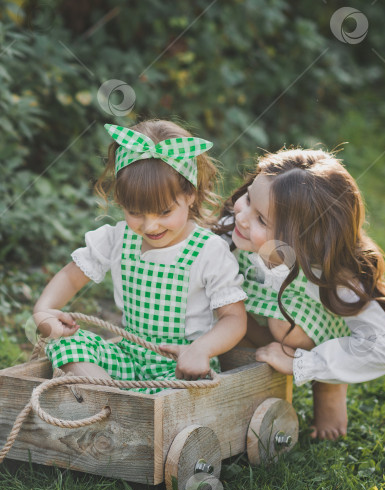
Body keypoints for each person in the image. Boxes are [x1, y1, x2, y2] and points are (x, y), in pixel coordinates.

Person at [33, 120, 248, 393]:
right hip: (127, 359)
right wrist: (44, 311)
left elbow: (234, 319)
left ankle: (120, 406)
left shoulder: (208, 250)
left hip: (180, 367)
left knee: (173, 396)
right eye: (135, 212)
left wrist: (200, 350)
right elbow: (71, 277)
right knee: (67, 345)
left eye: (164, 212)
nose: (150, 227)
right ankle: (114, 403)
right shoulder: (118, 238)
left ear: (190, 195)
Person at [214, 148, 385, 439]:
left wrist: (304, 364)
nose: (241, 217)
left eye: (262, 220)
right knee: (225, 308)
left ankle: (328, 383)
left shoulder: (331, 275)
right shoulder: (234, 227)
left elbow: (382, 349)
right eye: (249, 198)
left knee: (285, 325)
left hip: (306, 331)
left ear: (305, 238)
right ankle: (258, 376)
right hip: (258, 321)